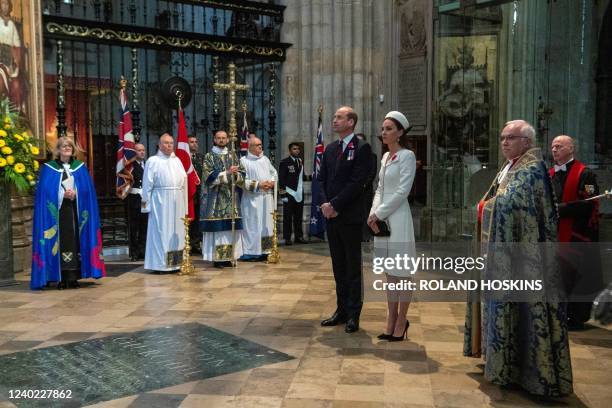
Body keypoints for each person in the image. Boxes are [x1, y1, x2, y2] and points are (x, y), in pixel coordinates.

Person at [464, 120, 573, 398]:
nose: (504, 142)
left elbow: (513, 205)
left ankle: (529, 373)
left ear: (526, 141)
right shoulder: (509, 167)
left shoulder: (531, 169)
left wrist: (486, 207)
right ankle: (504, 365)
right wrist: (484, 206)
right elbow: (495, 199)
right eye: (502, 138)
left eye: (510, 138)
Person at [319, 106, 373, 333]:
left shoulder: (362, 148)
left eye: (339, 117)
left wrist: (336, 205)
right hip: (331, 216)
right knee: (338, 266)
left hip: (349, 216)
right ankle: (340, 310)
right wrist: (325, 204)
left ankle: (353, 313)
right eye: (334, 117)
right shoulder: (331, 149)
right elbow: (321, 180)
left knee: (352, 267)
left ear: (351, 122)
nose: (334, 120)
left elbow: (357, 182)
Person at [31, 137, 106, 290]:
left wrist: (76, 193)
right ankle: (59, 277)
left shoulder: (80, 168)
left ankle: (73, 277)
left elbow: (87, 191)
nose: (67, 148)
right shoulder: (49, 168)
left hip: (75, 211)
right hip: (58, 213)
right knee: (62, 240)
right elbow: (44, 192)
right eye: (64, 146)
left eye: (70, 146)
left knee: (75, 241)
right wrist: (61, 194)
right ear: (57, 150)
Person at [367, 111, 416, 342]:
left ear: (400, 132)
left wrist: (380, 213)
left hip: (398, 218)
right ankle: (391, 318)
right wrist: (372, 215)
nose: (383, 132)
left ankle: (401, 320)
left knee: (402, 273)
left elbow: (402, 191)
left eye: (388, 128)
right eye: (383, 128)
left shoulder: (407, 156)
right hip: (382, 218)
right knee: (389, 273)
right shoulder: (386, 157)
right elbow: (380, 188)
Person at [550, 135, 603, 330]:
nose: (554, 150)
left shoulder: (585, 174)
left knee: (574, 277)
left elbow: (589, 204)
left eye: (559, 146)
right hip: (554, 235)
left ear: (571, 149)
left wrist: (558, 209)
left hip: (575, 236)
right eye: (553, 146)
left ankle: (574, 316)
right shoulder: (550, 174)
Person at [141, 133, 187, 273]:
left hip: (177, 201)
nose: (169, 145)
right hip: (160, 202)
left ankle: (176, 263)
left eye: (171, 143)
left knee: (176, 231)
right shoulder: (153, 161)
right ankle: (160, 265)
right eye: (166, 143)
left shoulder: (177, 160)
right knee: (161, 231)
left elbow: (184, 182)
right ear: (159, 145)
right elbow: (147, 184)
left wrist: (184, 205)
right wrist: (145, 205)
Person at [200, 130, 245, 268]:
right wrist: (226, 173)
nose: (221, 140)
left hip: (232, 199)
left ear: (227, 140)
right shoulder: (209, 156)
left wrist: (237, 174)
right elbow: (208, 177)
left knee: (229, 230)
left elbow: (242, 173)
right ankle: (218, 259)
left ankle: (230, 257)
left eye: (224, 138)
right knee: (219, 230)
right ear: (214, 139)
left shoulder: (233, 156)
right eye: (218, 138)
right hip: (216, 200)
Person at [239, 136, 277, 261]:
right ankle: (252, 252)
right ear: (250, 147)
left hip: (266, 198)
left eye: (261, 144)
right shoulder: (243, 161)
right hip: (252, 200)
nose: (260, 147)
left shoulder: (265, 159)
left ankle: (266, 250)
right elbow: (241, 181)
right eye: (257, 145)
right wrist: (259, 184)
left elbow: (274, 173)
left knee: (266, 225)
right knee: (253, 226)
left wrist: (271, 182)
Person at [278, 142, 308, 245]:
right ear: (290, 150)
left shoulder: (300, 162)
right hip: (289, 194)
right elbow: (281, 180)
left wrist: (313, 176)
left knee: (298, 216)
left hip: (299, 193)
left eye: (298, 149)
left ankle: (299, 236)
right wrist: (283, 194)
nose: (297, 151)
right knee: (287, 217)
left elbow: (302, 177)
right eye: (294, 149)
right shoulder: (284, 162)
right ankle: (287, 238)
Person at [0, 0, 24, 112]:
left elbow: (17, 44)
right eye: (3, 4)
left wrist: (15, 60)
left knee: (16, 85)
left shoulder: (12, 24)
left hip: (9, 57)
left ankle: (14, 115)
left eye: (7, 4)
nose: (5, 6)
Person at [127, 143, 148, 261]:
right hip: (135, 199)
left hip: (145, 199)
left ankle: (142, 251)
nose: (142, 152)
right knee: (134, 227)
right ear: (134, 152)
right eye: (139, 150)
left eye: (143, 150)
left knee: (144, 226)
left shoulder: (148, 164)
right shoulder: (130, 166)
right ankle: (134, 252)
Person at [356, 133, 378, 242]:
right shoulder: (351, 155)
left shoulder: (372, 156)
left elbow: (372, 173)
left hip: (365, 190)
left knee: (365, 212)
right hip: (353, 191)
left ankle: (365, 236)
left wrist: (363, 185)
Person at [189, 135, 205, 254]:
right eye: (191, 142)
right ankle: (188, 243)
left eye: (196, 141)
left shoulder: (202, 157)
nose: (194, 144)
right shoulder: (183, 158)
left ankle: (196, 243)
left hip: (200, 193)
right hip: (188, 193)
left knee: (198, 219)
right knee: (189, 219)